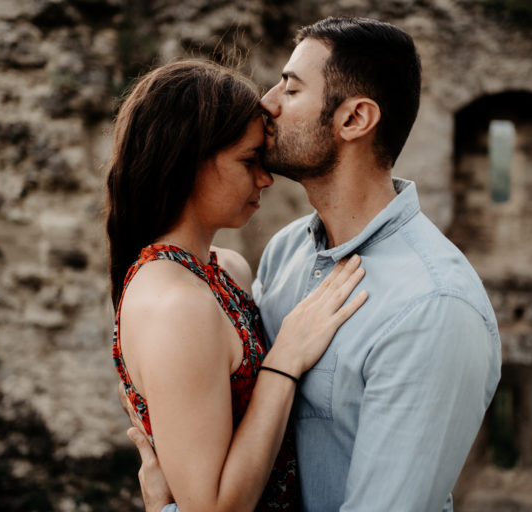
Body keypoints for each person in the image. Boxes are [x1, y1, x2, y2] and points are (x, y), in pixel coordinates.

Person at [130, 16, 502, 512]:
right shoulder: (285, 252)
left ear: (354, 119)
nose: (267, 102)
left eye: (291, 89)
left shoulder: (433, 307)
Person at [107, 60, 369, 512]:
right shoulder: (176, 305)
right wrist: (284, 361)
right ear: (186, 162)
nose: (265, 178)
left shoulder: (227, 269)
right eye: (249, 161)